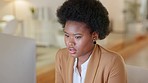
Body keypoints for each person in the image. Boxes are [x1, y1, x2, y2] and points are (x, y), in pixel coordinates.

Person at [55, 0, 127, 83]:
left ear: (94, 36)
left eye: (77, 37)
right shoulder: (61, 57)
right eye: (67, 35)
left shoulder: (112, 62)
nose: (70, 43)